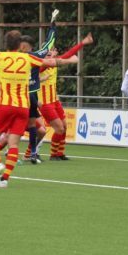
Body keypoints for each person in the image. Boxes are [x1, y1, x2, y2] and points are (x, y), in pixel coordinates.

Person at [0, 32, 78, 188]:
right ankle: (4, 180)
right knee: (14, 144)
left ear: (6, 44)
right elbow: (50, 62)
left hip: (5, 105)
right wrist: (70, 60)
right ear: (20, 45)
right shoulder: (27, 58)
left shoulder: (0, 56)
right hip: (23, 107)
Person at [38, 33, 94, 161]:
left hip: (54, 101)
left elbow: (68, 54)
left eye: (52, 51)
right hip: (45, 103)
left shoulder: (54, 62)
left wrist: (83, 43)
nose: (53, 52)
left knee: (64, 127)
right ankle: (52, 154)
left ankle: (59, 153)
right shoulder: (42, 65)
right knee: (59, 128)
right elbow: (67, 58)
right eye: (49, 52)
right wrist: (69, 60)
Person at [17, 14, 57, 163]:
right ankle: (32, 153)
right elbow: (48, 43)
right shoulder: (36, 56)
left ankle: (9, 151)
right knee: (32, 126)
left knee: (16, 125)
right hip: (31, 95)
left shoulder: (13, 58)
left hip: (19, 96)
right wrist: (52, 26)